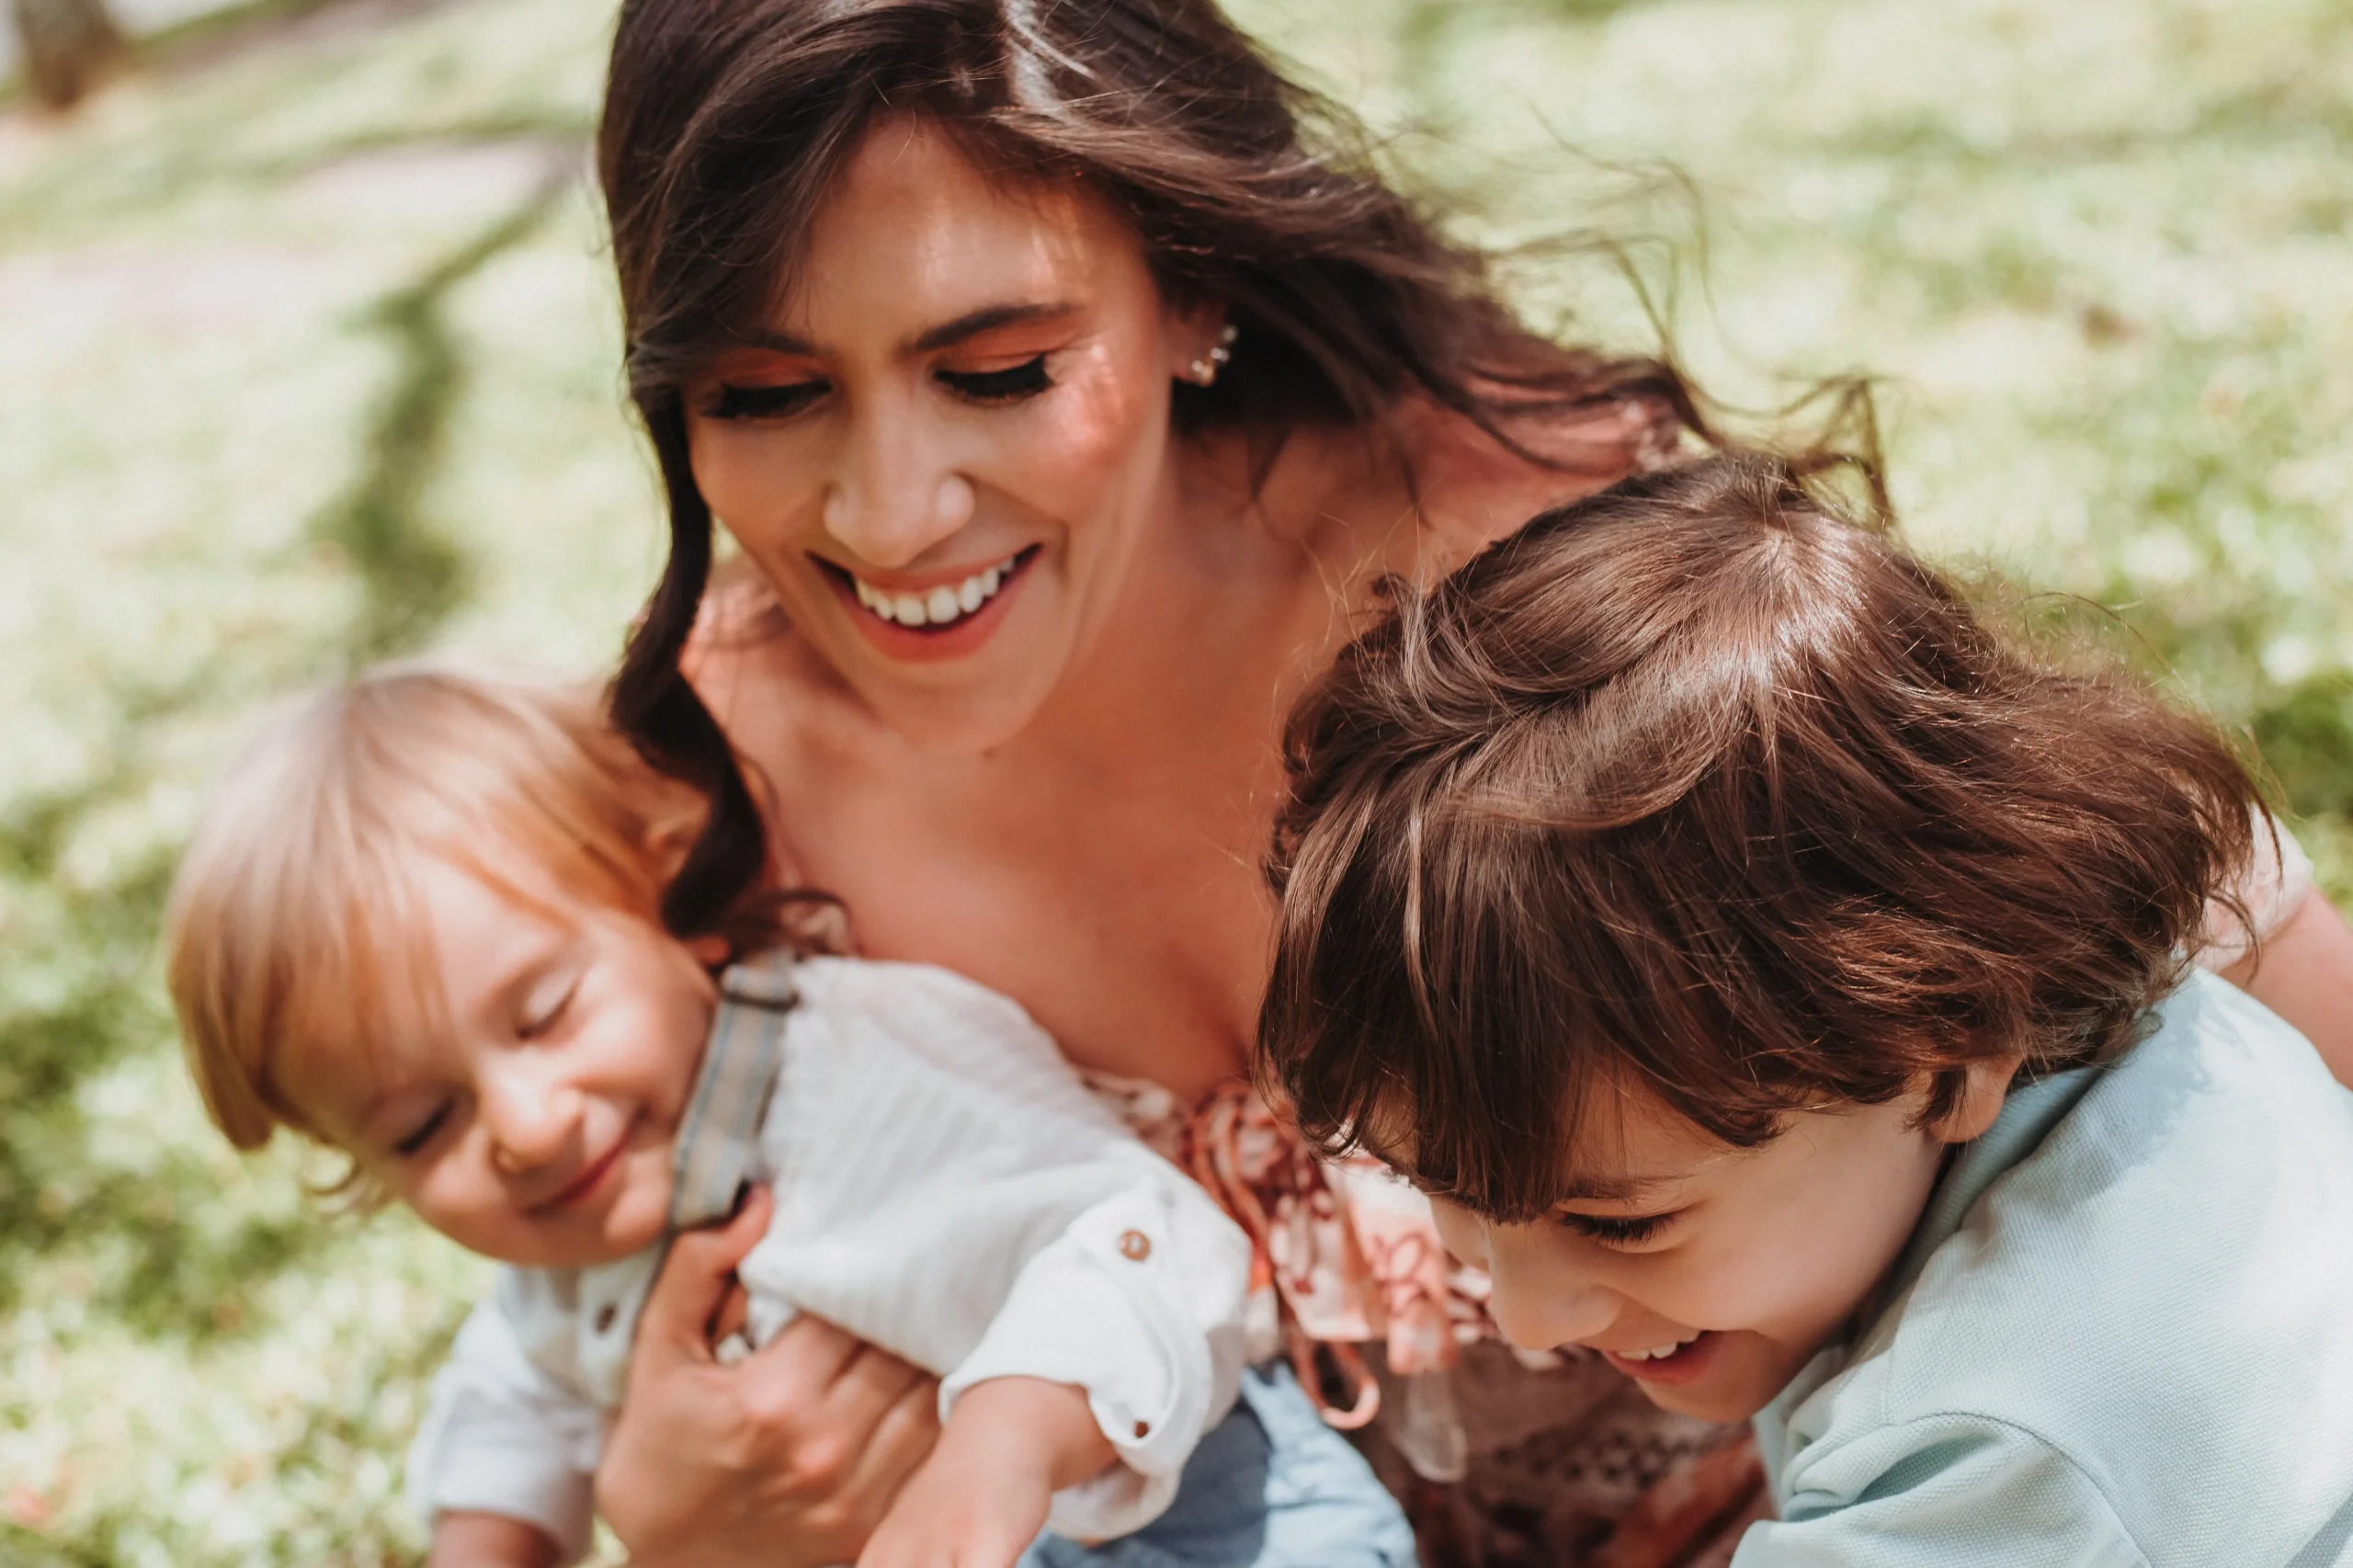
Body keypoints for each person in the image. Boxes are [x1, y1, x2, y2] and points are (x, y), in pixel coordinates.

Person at [585, 0, 2353, 1561]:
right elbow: (604, 1297)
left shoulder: (1533, 564)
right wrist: (686, 1529)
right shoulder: (704, 788)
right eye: (760, 394)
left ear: (1190, 277)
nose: (892, 512)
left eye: (997, 370)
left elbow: (2096, 907)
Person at [1258, 454, 2353, 1563]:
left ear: (1954, 1047)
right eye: (1442, 1189)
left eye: (1621, 1221)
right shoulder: (2126, 1013)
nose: (1526, 1314)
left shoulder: (1998, 1439)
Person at [163, 667, 1418, 1568]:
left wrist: (997, 1456)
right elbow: (513, 1398)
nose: (526, 1126)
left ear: (674, 894)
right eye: (422, 1125)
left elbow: (1141, 1234)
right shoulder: (562, 1266)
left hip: (1206, 1526)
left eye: (544, 1011)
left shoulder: (846, 1062)